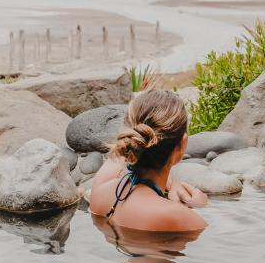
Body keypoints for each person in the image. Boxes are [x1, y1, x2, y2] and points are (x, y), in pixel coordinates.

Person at [89, 90, 208, 232]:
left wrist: (172, 182)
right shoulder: (178, 217)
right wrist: (202, 207)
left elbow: (125, 157)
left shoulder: (100, 186)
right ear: (183, 143)